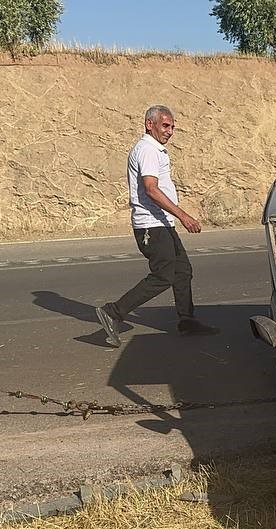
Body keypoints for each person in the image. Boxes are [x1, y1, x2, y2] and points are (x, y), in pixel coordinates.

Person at [96, 105, 218, 348]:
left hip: (162, 222)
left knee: (182, 270)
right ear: (149, 124)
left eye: (172, 126)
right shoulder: (147, 150)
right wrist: (184, 216)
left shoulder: (156, 150)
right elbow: (151, 188)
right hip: (151, 226)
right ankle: (113, 312)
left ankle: (187, 321)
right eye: (165, 125)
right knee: (163, 275)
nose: (170, 131)